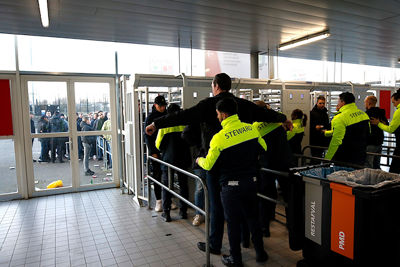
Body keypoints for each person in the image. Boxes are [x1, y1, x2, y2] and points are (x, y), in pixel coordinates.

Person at [145, 73, 291, 255]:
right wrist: (283, 117)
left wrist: (156, 124)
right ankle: (247, 241)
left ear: (215, 86)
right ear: (229, 86)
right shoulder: (243, 105)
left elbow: (183, 116)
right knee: (247, 207)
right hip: (245, 165)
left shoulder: (208, 105)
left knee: (217, 206)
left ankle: (215, 245)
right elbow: (264, 113)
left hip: (215, 163)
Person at [196, 98, 269, 266]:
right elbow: (263, 148)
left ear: (223, 114)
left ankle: (236, 259)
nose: (217, 117)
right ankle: (261, 253)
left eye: (217, 114)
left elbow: (209, 165)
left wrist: (199, 159)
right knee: (253, 218)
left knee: (233, 223)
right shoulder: (251, 129)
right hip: (252, 182)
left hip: (231, 187)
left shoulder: (218, 138)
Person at [253, 101, 292, 238]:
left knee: (266, 196)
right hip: (285, 163)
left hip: (267, 166)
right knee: (288, 194)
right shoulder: (277, 121)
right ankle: (291, 224)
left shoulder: (255, 127)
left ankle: (265, 227)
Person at [155, 104, 191, 222]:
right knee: (183, 185)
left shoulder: (164, 125)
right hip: (183, 159)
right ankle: (183, 211)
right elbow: (189, 141)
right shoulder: (185, 124)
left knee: (167, 186)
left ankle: (167, 213)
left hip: (168, 160)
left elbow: (158, 144)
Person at [324, 92, 370, 166]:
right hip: (360, 156)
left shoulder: (339, 118)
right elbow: (368, 134)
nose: (337, 103)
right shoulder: (364, 115)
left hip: (344, 158)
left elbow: (336, 141)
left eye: (338, 101)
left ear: (343, 102)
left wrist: (327, 159)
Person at [145, 95, 168, 212]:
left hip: (167, 150)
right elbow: (147, 137)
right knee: (158, 175)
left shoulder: (167, 114)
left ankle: (167, 199)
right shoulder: (150, 118)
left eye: (164, 106)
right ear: (155, 105)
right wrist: (153, 151)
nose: (163, 108)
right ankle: (159, 200)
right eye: (161, 106)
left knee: (167, 175)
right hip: (156, 152)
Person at [181, 123, 206, 226]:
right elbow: (185, 134)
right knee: (200, 188)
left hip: (212, 159)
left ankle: (210, 214)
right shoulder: (197, 121)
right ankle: (199, 214)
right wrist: (198, 145)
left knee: (208, 188)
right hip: (200, 159)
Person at [370, 89, 400, 173]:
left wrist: (378, 123)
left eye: (394, 102)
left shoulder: (399, 111)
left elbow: (391, 129)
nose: (394, 105)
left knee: (395, 172)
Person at [364, 95, 388, 169]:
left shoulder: (367, 114)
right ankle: (377, 179)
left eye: (365, 102)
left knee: (368, 164)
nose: (365, 104)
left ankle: (369, 180)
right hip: (379, 142)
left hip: (370, 142)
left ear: (369, 103)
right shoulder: (381, 112)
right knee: (376, 164)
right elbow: (387, 124)